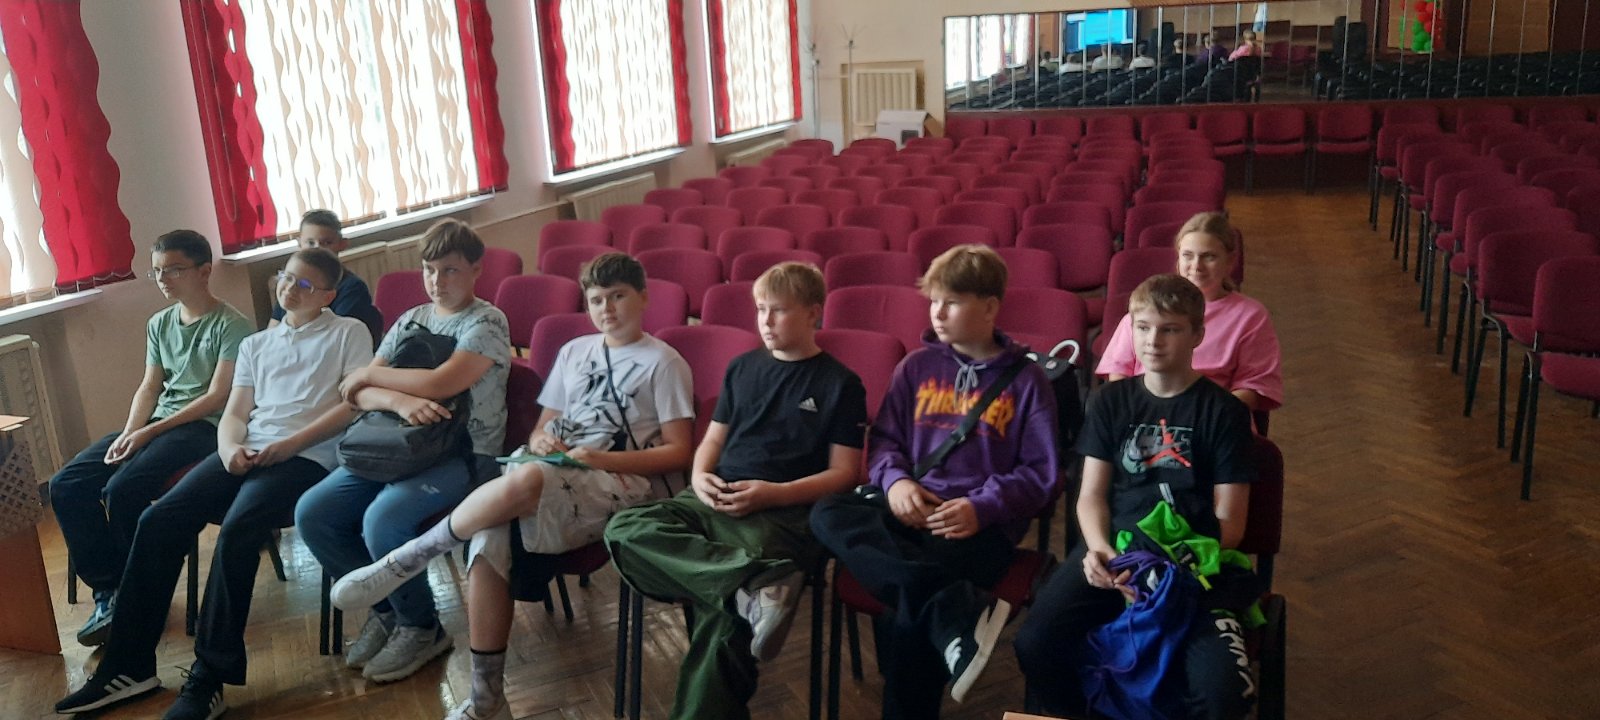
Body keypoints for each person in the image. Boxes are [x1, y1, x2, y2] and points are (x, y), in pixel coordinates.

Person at [328, 251, 694, 720]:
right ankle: (487, 699)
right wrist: (541, 440)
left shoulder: (663, 362)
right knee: (488, 534)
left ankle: (410, 556)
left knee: (529, 478)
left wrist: (597, 458)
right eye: (597, 299)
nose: (607, 309)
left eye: (618, 297)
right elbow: (545, 425)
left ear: (643, 298)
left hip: (622, 480)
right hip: (553, 472)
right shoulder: (574, 352)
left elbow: (678, 453)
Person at [54, 248, 373, 719]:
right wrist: (227, 450)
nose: (289, 288)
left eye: (304, 284)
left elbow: (353, 404)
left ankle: (208, 678)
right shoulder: (257, 344)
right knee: (158, 519)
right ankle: (128, 667)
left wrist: (289, 445)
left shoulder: (348, 332)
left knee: (238, 529)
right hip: (245, 450)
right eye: (286, 277)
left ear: (328, 295)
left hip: (306, 457)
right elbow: (237, 412)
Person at [604, 262, 868, 720]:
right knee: (625, 529)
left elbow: (845, 474)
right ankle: (751, 583)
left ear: (813, 313)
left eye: (779, 310)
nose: (766, 321)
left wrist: (772, 494)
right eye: (761, 309)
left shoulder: (840, 383)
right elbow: (713, 440)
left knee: (724, 618)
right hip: (715, 494)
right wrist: (699, 477)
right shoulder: (743, 367)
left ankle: (743, 589)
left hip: (782, 511)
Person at [809, 245, 1059, 719]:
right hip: (910, 508)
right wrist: (896, 483)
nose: (938, 313)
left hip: (974, 526)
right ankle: (953, 606)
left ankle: (936, 612)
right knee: (828, 511)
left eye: (953, 302)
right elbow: (885, 442)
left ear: (990, 307)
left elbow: (1040, 475)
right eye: (934, 301)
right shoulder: (915, 368)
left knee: (907, 619)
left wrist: (980, 507)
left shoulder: (1027, 382)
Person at [1014, 274, 1257, 720]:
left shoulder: (1224, 411)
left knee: (1222, 694)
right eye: (1142, 327)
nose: (1153, 341)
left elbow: (1231, 523)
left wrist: (1171, 568)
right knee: (1036, 644)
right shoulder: (1111, 401)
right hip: (1116, 557)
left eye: (1170, 329)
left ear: (1197, 334)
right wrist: (1099, 550)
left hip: (1190, 566)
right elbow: (1091, 496)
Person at [295, 218, 511, 684]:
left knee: (383, 519)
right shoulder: (412, 318)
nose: (437, 281)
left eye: (450, 270)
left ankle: (421, 627)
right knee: (313, 512)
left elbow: (442, 382)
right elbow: (357, 394)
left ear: (476, 270)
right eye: (429, 269)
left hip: (464, 454)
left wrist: (370, 375)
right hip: (397, 444)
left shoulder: (487, 322)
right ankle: (389, 612)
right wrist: (397, 400)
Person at [47, 230, 253, 648]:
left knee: (123, 489)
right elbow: (150, 386)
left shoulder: (233, 325)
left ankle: (138, 602)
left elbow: (217, 396)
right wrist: (129, 432)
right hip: (157, 424)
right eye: (157, 271)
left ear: (204, 271)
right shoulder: (159, 323)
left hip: (204, 428)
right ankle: (110, 589)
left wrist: (147, 433)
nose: (163, 279)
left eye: (174, 270)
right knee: (66, 484)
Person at [1097, 212, 1283, 414]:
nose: (1196, 266)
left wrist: (1198, 417)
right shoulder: (1151, 305)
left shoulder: (1250, 315)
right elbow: (1118, 372)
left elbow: (1252, 387)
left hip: (1213, 417)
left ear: (1230, 261)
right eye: (1188, 255)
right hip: (1143, 413)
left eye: (1209, 257)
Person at [268, 209, 381, 342]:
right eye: (310, 243)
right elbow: (272, 335)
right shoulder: (290, 287)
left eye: (326, 243)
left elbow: (337, 338)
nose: (317, 248)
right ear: (299, 243)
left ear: (342, 244)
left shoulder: (352, 287)